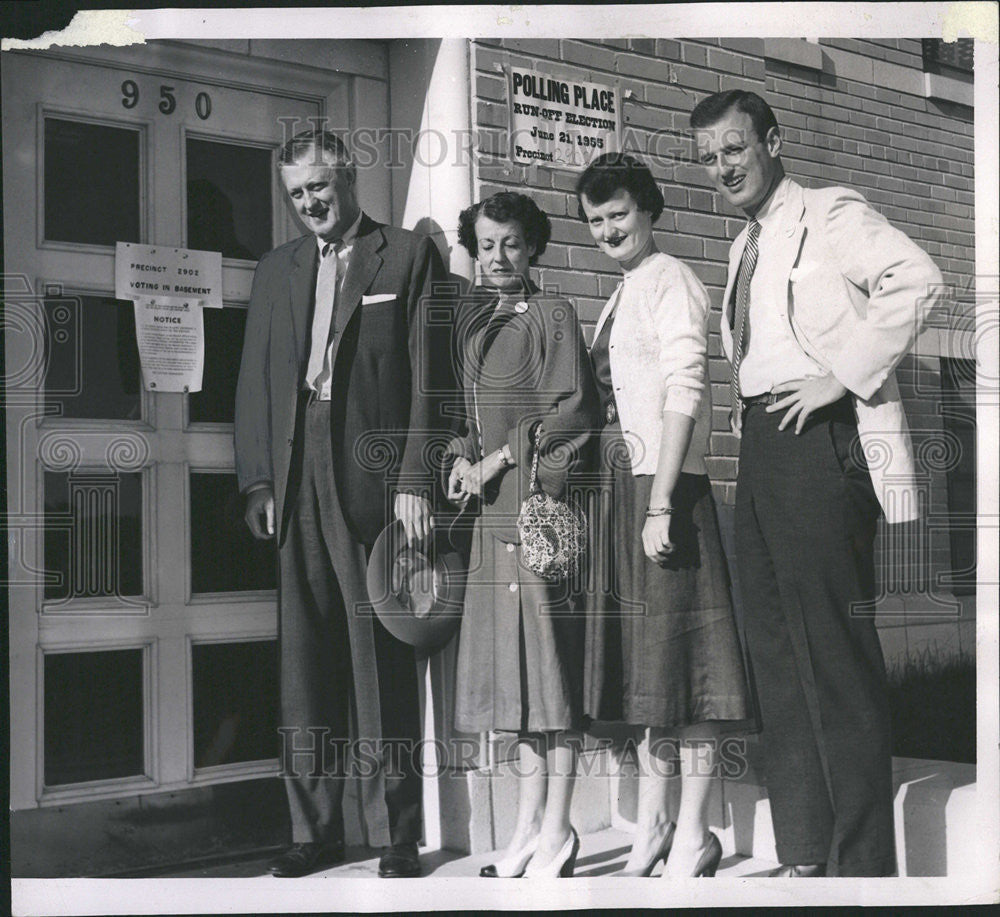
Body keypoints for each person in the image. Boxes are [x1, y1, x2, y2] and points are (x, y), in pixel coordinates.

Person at [689, 89, 941, 877]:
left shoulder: (829, 214)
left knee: (831, 653)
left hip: (819, 442)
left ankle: (862, 864)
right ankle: (805, 852)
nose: (721, 168)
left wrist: (844, 375)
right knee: (774, 653)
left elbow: (917, 277)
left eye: (733, 149)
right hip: (763, 447)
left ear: (773, 139)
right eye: (707, 158)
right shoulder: (740, 247)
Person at [234, 129, 453, 879]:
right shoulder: (277, 269)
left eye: (319, 189)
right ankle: (315, 829)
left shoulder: (406, 255)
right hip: (297, 476)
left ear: (348, 177)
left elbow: (433, 377)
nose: (310, 205)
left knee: (382, 660)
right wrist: (258, 479)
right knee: (304, 667)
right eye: (297, 195)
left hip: (376, 476)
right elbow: (256, 382)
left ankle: (395, 835)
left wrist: (416, 478)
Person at [575, 153, 753, 878]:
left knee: (696, 672)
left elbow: (685, 390)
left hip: (667, 490)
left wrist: (660, 500)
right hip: (630, 493)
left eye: (620, 213)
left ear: (647, 210)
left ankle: (694, 834)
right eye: (595, 220)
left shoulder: (671, 279)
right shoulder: (623, 291)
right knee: (653, 675)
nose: (609, 228)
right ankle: (650, 827)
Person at [445, 191, 600, 878]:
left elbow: (572, 411)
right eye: (486, 245)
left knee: (551, 680)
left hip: (534, 517)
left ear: (532, 246)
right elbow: (464, 419)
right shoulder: (476, 323)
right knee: (516, 689)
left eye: (510, 243)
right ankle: (526, 829)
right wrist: (457, 460)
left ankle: (560, 827)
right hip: (489, 521)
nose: (498, 257)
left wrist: (500, 459)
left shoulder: (554, 315)